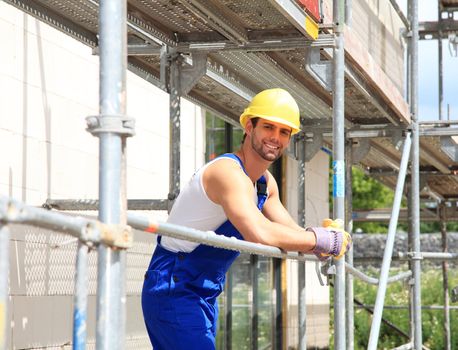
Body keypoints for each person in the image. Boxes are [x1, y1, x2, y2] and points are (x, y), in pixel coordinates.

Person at [141, 88, 351, 350]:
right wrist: (318, 240)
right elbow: (260, 232)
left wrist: (319, 240)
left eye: (284, 131)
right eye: (268, 127)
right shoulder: (227, 173)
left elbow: (289, 232)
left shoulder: (264, 183)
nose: (275, 137)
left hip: (204, 290)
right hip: (173, 285)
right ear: (249, 126)